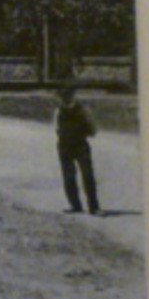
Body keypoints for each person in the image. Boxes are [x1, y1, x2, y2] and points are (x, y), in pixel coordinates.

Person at [55, 85, 101, 215]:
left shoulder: (82, 109)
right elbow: (56, 128)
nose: (64, 99)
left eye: (67, 95)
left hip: (80, 145)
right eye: (62, 96)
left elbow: (93, 129)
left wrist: (83, 133)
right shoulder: (59, 111)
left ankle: (94, 206)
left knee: (87, 175)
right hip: (64, 145)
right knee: (68, 176)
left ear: (72, 95)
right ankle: (75, 205)